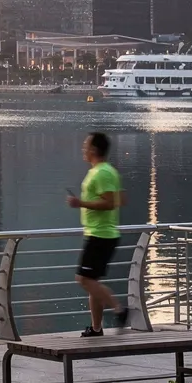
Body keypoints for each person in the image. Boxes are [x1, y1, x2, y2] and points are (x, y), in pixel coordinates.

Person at [64, 133, 127, 336]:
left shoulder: (103, 173)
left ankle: (119, 309)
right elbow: (121, 200)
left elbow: (110, 203)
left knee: (83, 279)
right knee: (92, 281)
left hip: (101, 235)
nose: (83, 148)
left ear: (94, 149)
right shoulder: (103, 171)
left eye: (86, 145)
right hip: (98, 232)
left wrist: (80, 203)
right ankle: (97, 328)